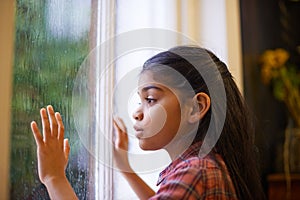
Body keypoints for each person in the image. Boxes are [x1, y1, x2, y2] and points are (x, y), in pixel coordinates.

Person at [31, 46, 266, 200]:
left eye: (150, 99)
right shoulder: (207, 166)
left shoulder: (197, 171)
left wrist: (54, 178)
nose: (136, 113)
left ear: (196, 107)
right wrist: (126, 169)